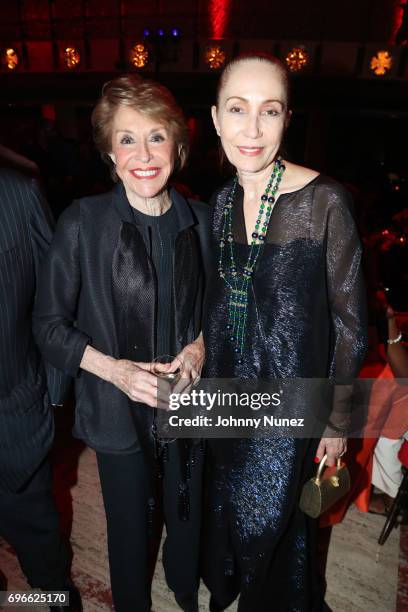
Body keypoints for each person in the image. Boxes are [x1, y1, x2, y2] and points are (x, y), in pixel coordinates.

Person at [33, 75, 209, 612]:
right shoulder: (83, 223)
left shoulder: (202, 220)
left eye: (156, 136)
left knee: (187, 512)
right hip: (114, 408)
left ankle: (185, 588)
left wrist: (199, 345)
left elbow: (218, 308)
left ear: (178, 146)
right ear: (109, 150)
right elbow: (48, 327)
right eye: (127, 139)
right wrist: (117, 371)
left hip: (189, 400)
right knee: (129, 528)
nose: (144, 154)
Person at [201, 53, 367, 611]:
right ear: (216, 119)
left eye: (268, 111)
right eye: (237, 110)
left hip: (291, 408)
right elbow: (221, 303)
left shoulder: (325, 202)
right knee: (240, 523)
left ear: (287, 118)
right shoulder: (220, 205)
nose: (252, 129)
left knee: (267, 523)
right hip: (228, 399)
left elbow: (350, 325)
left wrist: (337, 421)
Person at [0, 168, 80, 612]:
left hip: (12, 423)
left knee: (45, 563)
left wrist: (50, 395)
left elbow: (55, 302)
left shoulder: (17, 193)